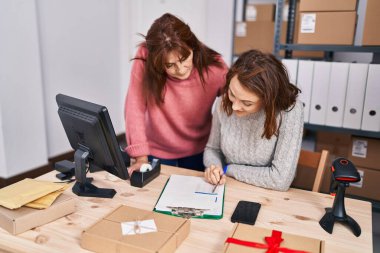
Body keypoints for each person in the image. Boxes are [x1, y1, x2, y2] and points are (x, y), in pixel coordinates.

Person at [124, 13, 228, 175]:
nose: (180, 69)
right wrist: (140, 157)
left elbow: (234, 107)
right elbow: (134, 107)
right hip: (156, 150)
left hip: (199, 151)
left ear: (192, 46)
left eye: (185, 58)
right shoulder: (145, 57)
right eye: (170, 65)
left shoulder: (215, 67)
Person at [203, 49, 304, 191]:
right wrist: (215, 168)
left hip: (268, 194)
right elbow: (212, 149)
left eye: (247, 103)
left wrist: (229, 169)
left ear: (267, 101)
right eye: (232, 93)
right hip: (228, 188)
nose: (235, 106)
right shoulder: (223, 102)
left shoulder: (289, 111)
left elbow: (280, 180)